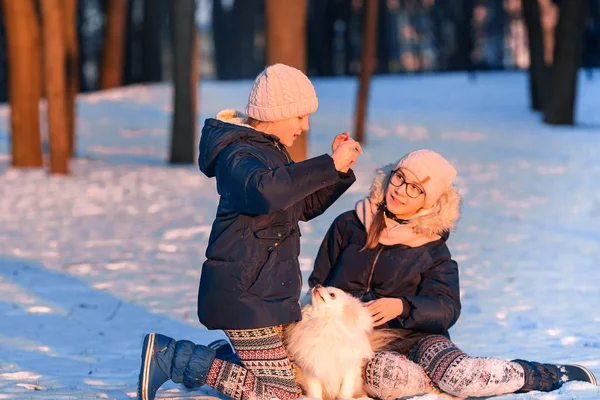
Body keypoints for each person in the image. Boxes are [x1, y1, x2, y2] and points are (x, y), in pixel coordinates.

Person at [137, 63, 362, 400]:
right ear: (275, 113)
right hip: (242, 295)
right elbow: (266, 191)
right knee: (282, 396)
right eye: (300, 116)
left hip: (265, 295)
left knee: (296, 379)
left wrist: (337, 170)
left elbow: (300, 205)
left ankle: (225, 357)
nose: (305, 126)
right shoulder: (238, 154)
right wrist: (326, 166)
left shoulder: (269, 150)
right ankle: (172, 358)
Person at [308, 149, 597, 399]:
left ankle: (544, 375)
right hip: (363, 345)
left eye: (415, 189)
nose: (400, 190)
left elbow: (447, 307)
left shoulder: (433, 249)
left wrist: (402, 306)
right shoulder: (348, 225)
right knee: (384, 376)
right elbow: (318, 283)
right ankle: (441, 393)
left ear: (429, 202)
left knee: (461, 374)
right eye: (399, 178)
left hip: (419, 337)